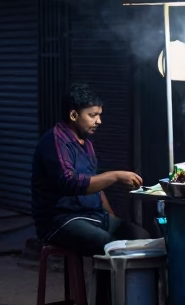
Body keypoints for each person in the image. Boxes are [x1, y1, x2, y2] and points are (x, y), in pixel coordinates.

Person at [31, 82, 149, 256]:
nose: (99, 121)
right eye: (92, 115)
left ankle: (130, 283)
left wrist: (110, 216)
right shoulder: (55, 141)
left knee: (141, 237)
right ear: (73, 115)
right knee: (111, 246)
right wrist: (115, 176)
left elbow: (94, 182)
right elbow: (69, 182)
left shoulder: (86, 143)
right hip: (61, 221)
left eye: (99, 115)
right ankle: (107, 284)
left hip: (94, 216)